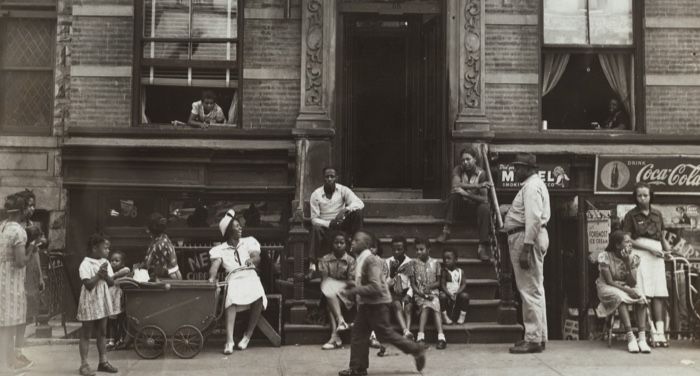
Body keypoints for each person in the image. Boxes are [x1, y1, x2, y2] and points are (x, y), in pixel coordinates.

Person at [339, 231, 425, 376]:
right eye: (352, 240)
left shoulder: (370, 260)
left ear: (365, 244)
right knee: (358, 333)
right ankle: (358, 368)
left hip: (378, 305)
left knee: (385, 334)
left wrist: (354, 290)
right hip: (367, 304)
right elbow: (366, 281)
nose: (352, 242)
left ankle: (415, 349)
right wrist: (352, 283)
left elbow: (376, 286)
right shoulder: (360, 259)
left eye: (356, 240)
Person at [502, 153, 550, 354]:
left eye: (518, 167)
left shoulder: (530, 187)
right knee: (535, 289)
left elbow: (533, 219)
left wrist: (526, 247)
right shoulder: (534, 185)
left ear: (529, 169)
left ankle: (532, 339)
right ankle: (539, 336)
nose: (515, 171)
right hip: (528, 235)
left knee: (528, 290)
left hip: (525, 237)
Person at [208, 210, 267, 354]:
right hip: (233, 278)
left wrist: (251, 260)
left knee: (259, 296)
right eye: (236, 226)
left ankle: (248, 335)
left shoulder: (249, 241)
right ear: (229, 231)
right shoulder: (220, 249)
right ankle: (229, 340)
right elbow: (215, 266)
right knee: (231, 299)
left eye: (240, 226)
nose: (240, 228)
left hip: (250, 275)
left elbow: (256, 257)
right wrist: (212, 278)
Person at [622, 182, 671, 347]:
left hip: (657, 255)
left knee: (658, 293)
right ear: (635, 197)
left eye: (646, 195)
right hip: (641, 254)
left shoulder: (657, 214)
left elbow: (662, 236)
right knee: (642, 295)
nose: (643, 198)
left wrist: (667, 250)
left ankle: (659, 333)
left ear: (651, 196)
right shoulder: (631, 215)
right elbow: (627, 240)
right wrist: (649, 249)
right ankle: (643, 334)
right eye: (639, 195)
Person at [0, 194, 39, 374]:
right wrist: (32, 247)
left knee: (4, 321)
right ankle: (10, 363)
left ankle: (6, 360)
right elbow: (21, 261)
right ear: (22, 211)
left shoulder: (2, 227)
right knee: (12, 321)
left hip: (2, 277)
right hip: (13, 281)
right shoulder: (18, 231)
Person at [596, 230, 650, 353]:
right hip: (606, 287)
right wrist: (628, 291)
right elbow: (609, 281)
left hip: (625, 286)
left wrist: (626, 262)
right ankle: (630, 337)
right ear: (617, 245)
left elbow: (632, 283)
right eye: (626, 242)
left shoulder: (632, 258)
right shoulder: (605, 256)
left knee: (641, 297)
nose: (630, 244)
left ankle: (642, 338)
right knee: (620, 298)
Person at [437, 148, 492, 262]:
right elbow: (455, 184)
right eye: (463, 160)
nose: (465, 162)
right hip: (460, 210)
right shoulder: (458, 169)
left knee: (485, 208)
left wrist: (466, 194)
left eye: (468, 159)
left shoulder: (482, 174)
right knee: (454, 195)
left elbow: (484, 199)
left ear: (475, 159)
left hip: (474, 210)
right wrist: (477, 186)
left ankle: (482, 247)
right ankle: (446, 231)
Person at [14, 189, 46, 370]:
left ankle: (18, 350)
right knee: (14, 313)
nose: (32, 209)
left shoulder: (33, 225)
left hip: (30, 272)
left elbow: (36, 253)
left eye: (34, 205)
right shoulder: (14, 228)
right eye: (29, 205)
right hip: (17, 271)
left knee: (26, 314)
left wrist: (40, 275)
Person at [77, 233, 119, 375]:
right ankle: (84, 364)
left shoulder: (104, 262)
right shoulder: (85, 264)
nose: (108, 251)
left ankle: (103, 362)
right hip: (89, 301)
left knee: (102, 332)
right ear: (95, 248)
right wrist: (99, 275)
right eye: (105, 248)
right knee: (86, 333)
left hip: (102, 300)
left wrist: (106, 275)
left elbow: (111, 282)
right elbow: (88, 284)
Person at [310, 167, 365, 261]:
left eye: (332, 176)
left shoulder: (343, 190)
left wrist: (346, 209)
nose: (329, 179)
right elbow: (314, 219)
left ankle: (357, 248)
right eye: (327, 177)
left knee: (357, 213)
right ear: (323, 178)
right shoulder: (316, 194)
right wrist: (329, 223)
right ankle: (314, 263)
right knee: (316, 228)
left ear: (336, 178)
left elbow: (360, 203)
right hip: (326, 227)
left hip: (342, 224)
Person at [405, 237, 446, 349]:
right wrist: (422, 294)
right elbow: (413, 285)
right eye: (417, 249)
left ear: (428, 249)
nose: (419, 252)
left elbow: (438, 282)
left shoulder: (436, 263)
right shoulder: (411, 264)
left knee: (435, 305)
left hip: (433, 293)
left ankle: (435, 337)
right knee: (427, 306)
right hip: (419, 294)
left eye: (421, 249)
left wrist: (430, 287)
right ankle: (427, 337)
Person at [319, 231, 356, 350]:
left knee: (330, 300)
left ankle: (335, 336)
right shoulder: (325, 259)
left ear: (346, 244)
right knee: (328, 288)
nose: (339, 245)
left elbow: (352, 282)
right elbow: (324, 280)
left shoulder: (351, 261)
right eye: (336, 243)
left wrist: (336, 284)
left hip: (346, 295)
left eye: (342, 243)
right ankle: (340, 321)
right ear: (332, 244)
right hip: (330, 295)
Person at [384, 236, 414, 340]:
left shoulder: (410, 263)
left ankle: (408, 331)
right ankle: (405, 330)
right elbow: (385, 285)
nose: (396, 252)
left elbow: (412, 283)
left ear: (405, 249)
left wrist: (408, 295)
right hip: (393, 292)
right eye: (394, 249)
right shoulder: (387, 262)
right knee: (397, 304)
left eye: (399, 249)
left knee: (408, 307)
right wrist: (391, 275)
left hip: (406, 291)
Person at [144, 212, 182, 281]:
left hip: (167, 278)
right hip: (176, 274)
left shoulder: (156, 245)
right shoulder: (165, 238)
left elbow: (147, 264)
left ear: (149, 230)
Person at [107, 250, 130, 350]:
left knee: (122, 320)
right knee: (112, 321)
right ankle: (112, 340)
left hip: (120, 299)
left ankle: (121, 339)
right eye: (112, 260)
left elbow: (126, 271)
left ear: (123, 263)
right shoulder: (109, 271)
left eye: (117, 260)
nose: (113, 262)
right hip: (111, 299)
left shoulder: (125, 270)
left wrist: (114, 276)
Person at [439, 249, 470, 325]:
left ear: (455, 260)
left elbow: (463, 284)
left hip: (457, 294)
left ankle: (462, 315)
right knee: (442, 296)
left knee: (465, 296)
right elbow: (442, 285)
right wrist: (449, 294)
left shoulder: (460, 271)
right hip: (447, 293)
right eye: (444, 259)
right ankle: (444, 316)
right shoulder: (444, 271)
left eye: (449, 258)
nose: (446, 260)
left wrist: (457, 293)